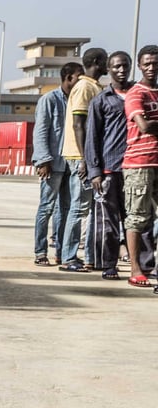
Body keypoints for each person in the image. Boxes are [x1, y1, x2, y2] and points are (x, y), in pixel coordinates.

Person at [84, 51, 150, 281]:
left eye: (125, 66)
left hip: (138, 167)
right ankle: (109, 264)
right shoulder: (101, 100)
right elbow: (92, 137)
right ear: (109, 69)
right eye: (116, 67)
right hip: (110, 168)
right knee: (109, 222)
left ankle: (142, 265)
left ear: (132, 67)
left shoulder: (139, 95)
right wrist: (95, 171)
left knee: (139, 219)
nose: (121, 70)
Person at [59, 47, 108, 272]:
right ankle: (69, 257)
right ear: (97, 62)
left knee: (89, 210)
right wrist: (85, 158)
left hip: (90, 156)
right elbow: (79, 124)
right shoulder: (84, 87)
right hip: (80, 156)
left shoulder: (95, 86)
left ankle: (89, 257)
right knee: (79, 208)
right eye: (106, 61)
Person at [32, 62, 84, 266]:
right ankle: (40, 252)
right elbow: (41, 131)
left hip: (71, 164)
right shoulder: (49, 100)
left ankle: (62, 253)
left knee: (66, 209)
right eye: (79, 77)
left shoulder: (77, 100)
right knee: (46, 208)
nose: (81, 81)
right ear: (68, 77)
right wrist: (43, 160)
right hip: (52, 163)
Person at [121, 45, 158, 288]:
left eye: (155, 63)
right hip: (140, 164)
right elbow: (143, 126)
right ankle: (136, 269)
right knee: (137, 218)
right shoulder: (136, 94)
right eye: (147, 64)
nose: (152, 68)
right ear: (139, 65)